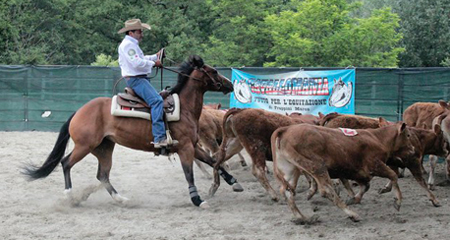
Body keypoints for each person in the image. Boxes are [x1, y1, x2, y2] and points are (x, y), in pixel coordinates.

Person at [117, 19, 169, 148]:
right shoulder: (128, 45)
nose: (142, 34)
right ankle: (159, 137)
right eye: (140, 31)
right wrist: (154, 63)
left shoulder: (131, 44)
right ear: (131, 32)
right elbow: (137, 63)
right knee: (157, 101)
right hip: (136, 80)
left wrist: (154, 57)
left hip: (138, 79)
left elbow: (140, 59)